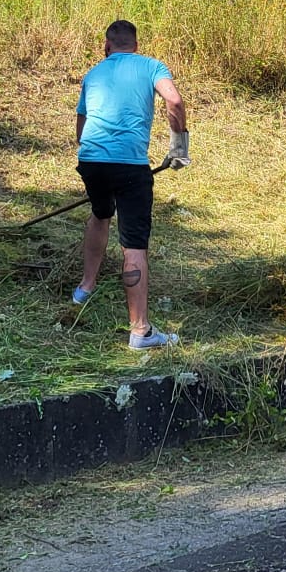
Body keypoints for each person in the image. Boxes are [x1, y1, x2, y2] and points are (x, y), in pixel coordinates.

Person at [73, 19, 190, 349]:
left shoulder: (94, 73)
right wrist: (180, 147)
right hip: (129, 166)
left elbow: (81, 128)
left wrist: (100, 160)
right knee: (134, 245)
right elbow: (174, 101)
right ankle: (140, 331)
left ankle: (85, 288)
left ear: (106, 46)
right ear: (135, 46)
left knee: (100, 213)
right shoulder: (151, 66)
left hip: (91, 161)